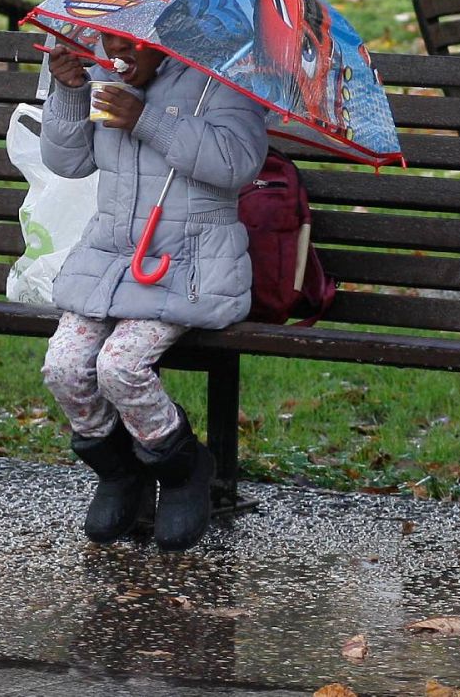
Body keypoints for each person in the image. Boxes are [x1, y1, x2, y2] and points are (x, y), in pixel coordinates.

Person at [40, 31, 269, 551]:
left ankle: (183, 466)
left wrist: (146, 119)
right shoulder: (102, 74)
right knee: (65, 365)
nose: (117, 56)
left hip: (189, 262)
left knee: (120, 366)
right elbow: (68, 163)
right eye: (107, 42)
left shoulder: (224, 80)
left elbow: (237, 165)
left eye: (132, 46)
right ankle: (120, 470)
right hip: (110, 258)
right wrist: (70, 92)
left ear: (166, 42)